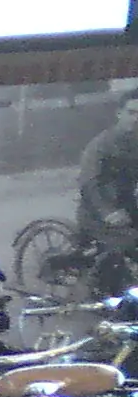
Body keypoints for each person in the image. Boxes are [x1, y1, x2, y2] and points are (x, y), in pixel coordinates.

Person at [78, 91, 138, 283]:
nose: (136, 119)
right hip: (98, 213)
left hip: (129, 208)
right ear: (119, 113)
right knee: (130, 242)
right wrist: (107, 212)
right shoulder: (101, 145)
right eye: (132, 112)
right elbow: (89, 182)